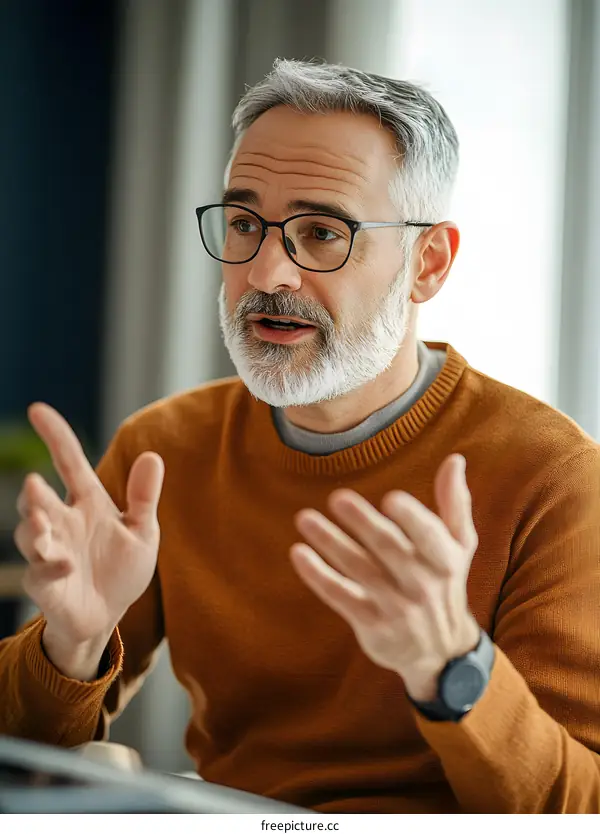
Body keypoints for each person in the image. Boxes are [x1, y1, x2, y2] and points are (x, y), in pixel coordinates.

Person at [1, 58, 599, 815]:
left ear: (428, 263)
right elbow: (20, 765)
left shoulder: (556, 478)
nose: (266, 272)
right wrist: (71, 644)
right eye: (245, 223)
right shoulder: (168, 449)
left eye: (322, 233)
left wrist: (453, 667)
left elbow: (584, 810)